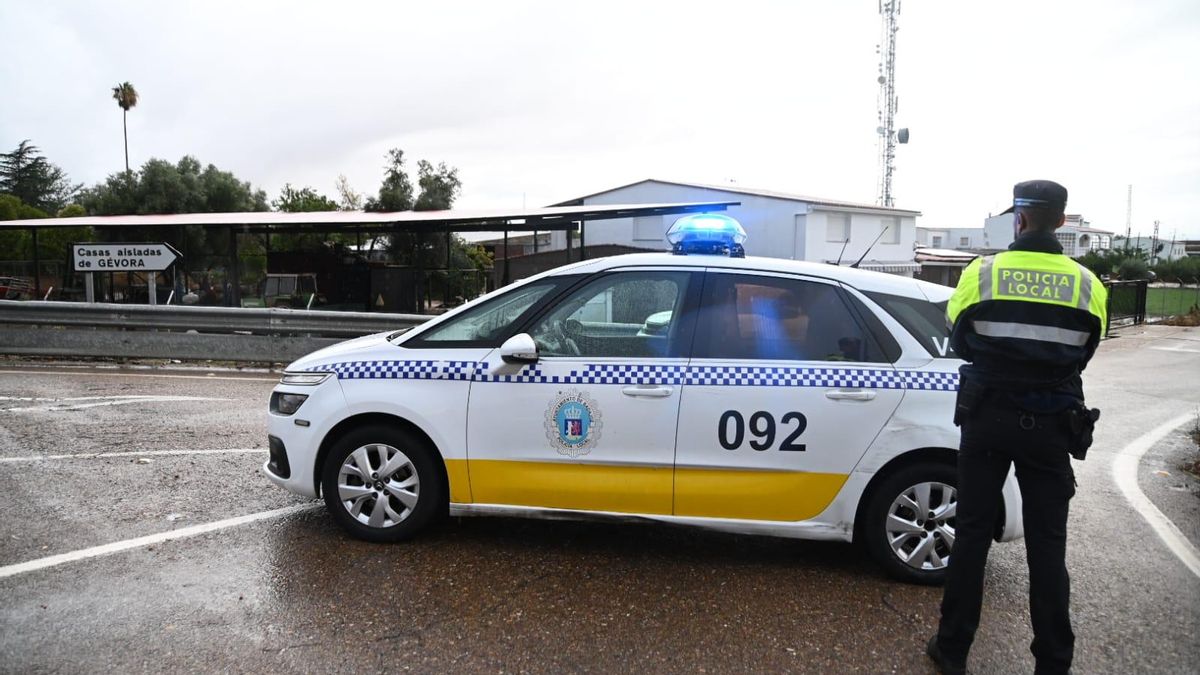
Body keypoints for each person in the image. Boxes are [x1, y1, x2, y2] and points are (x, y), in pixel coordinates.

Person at [926, 180, 1108, 675]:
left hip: (987, 421)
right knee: (1048, 545)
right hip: (1052, 423)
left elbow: (959, 339)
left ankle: (953, 649)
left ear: (1019, 219)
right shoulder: (1087, 284)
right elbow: (1085, 353)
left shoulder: (981, 272)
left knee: (971, 536)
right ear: (1063, 221)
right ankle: (1053, 661)